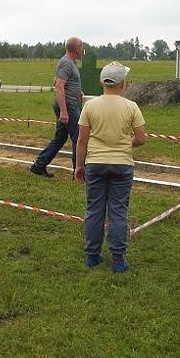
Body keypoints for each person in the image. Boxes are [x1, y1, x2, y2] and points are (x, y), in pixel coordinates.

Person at [75, 62, 146, 272]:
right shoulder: (131, 107)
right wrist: (124, 143)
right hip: (122, 165)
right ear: (123, 83)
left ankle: (92, 255)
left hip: (95, 164)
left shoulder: (90, 106)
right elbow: (141, 139)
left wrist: (79, 166)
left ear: (101, 82)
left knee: (94, 209)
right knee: (118, 211)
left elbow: (81, 140)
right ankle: (118, 259)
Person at [29, 37, 85, 177]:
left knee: (60, 138)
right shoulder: (66, 63)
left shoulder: (69, 63)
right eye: (82, 46)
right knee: (78, 137)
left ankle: (38, 166)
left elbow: (64, 84)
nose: (83, 50)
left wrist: (78, 92)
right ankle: (78, 173)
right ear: (77, 48)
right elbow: (59, 86)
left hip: (69, 104)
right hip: (68, 106)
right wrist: (64, 111)